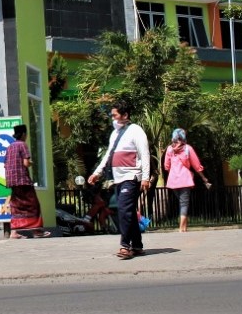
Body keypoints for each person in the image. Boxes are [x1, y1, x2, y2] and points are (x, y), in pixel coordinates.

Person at [88, 103, 150, 260]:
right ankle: (137, 245)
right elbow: (108, 155)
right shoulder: (115, 133)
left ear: (125, 115)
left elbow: (145, 154)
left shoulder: (136, 130)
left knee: (123, 209)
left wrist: (145, 177)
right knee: (127, 210)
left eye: (115, 114)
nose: (112, 117)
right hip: (118, 179)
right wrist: (97, 173)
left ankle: (125, 246)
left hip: (131, 177)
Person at [4, 124, 50, 239]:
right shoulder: (22, 145)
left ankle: (13, 232)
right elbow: (26, 163)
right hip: (23, 180)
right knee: (33, 205)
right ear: (24, 134)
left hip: (12, 182)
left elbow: (5, 164)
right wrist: (31, 163)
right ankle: (37, 231)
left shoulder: (9, 147)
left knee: (16, 206)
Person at [162, 128, 211, 233]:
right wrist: (203, 177)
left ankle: (184, 227)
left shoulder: (169, 149)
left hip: (173, 181)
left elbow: (166, 166)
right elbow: (197, 165)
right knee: (184, 203)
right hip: (185, 179)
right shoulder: (188, 148)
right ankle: (181, 228)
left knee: (181, 202)